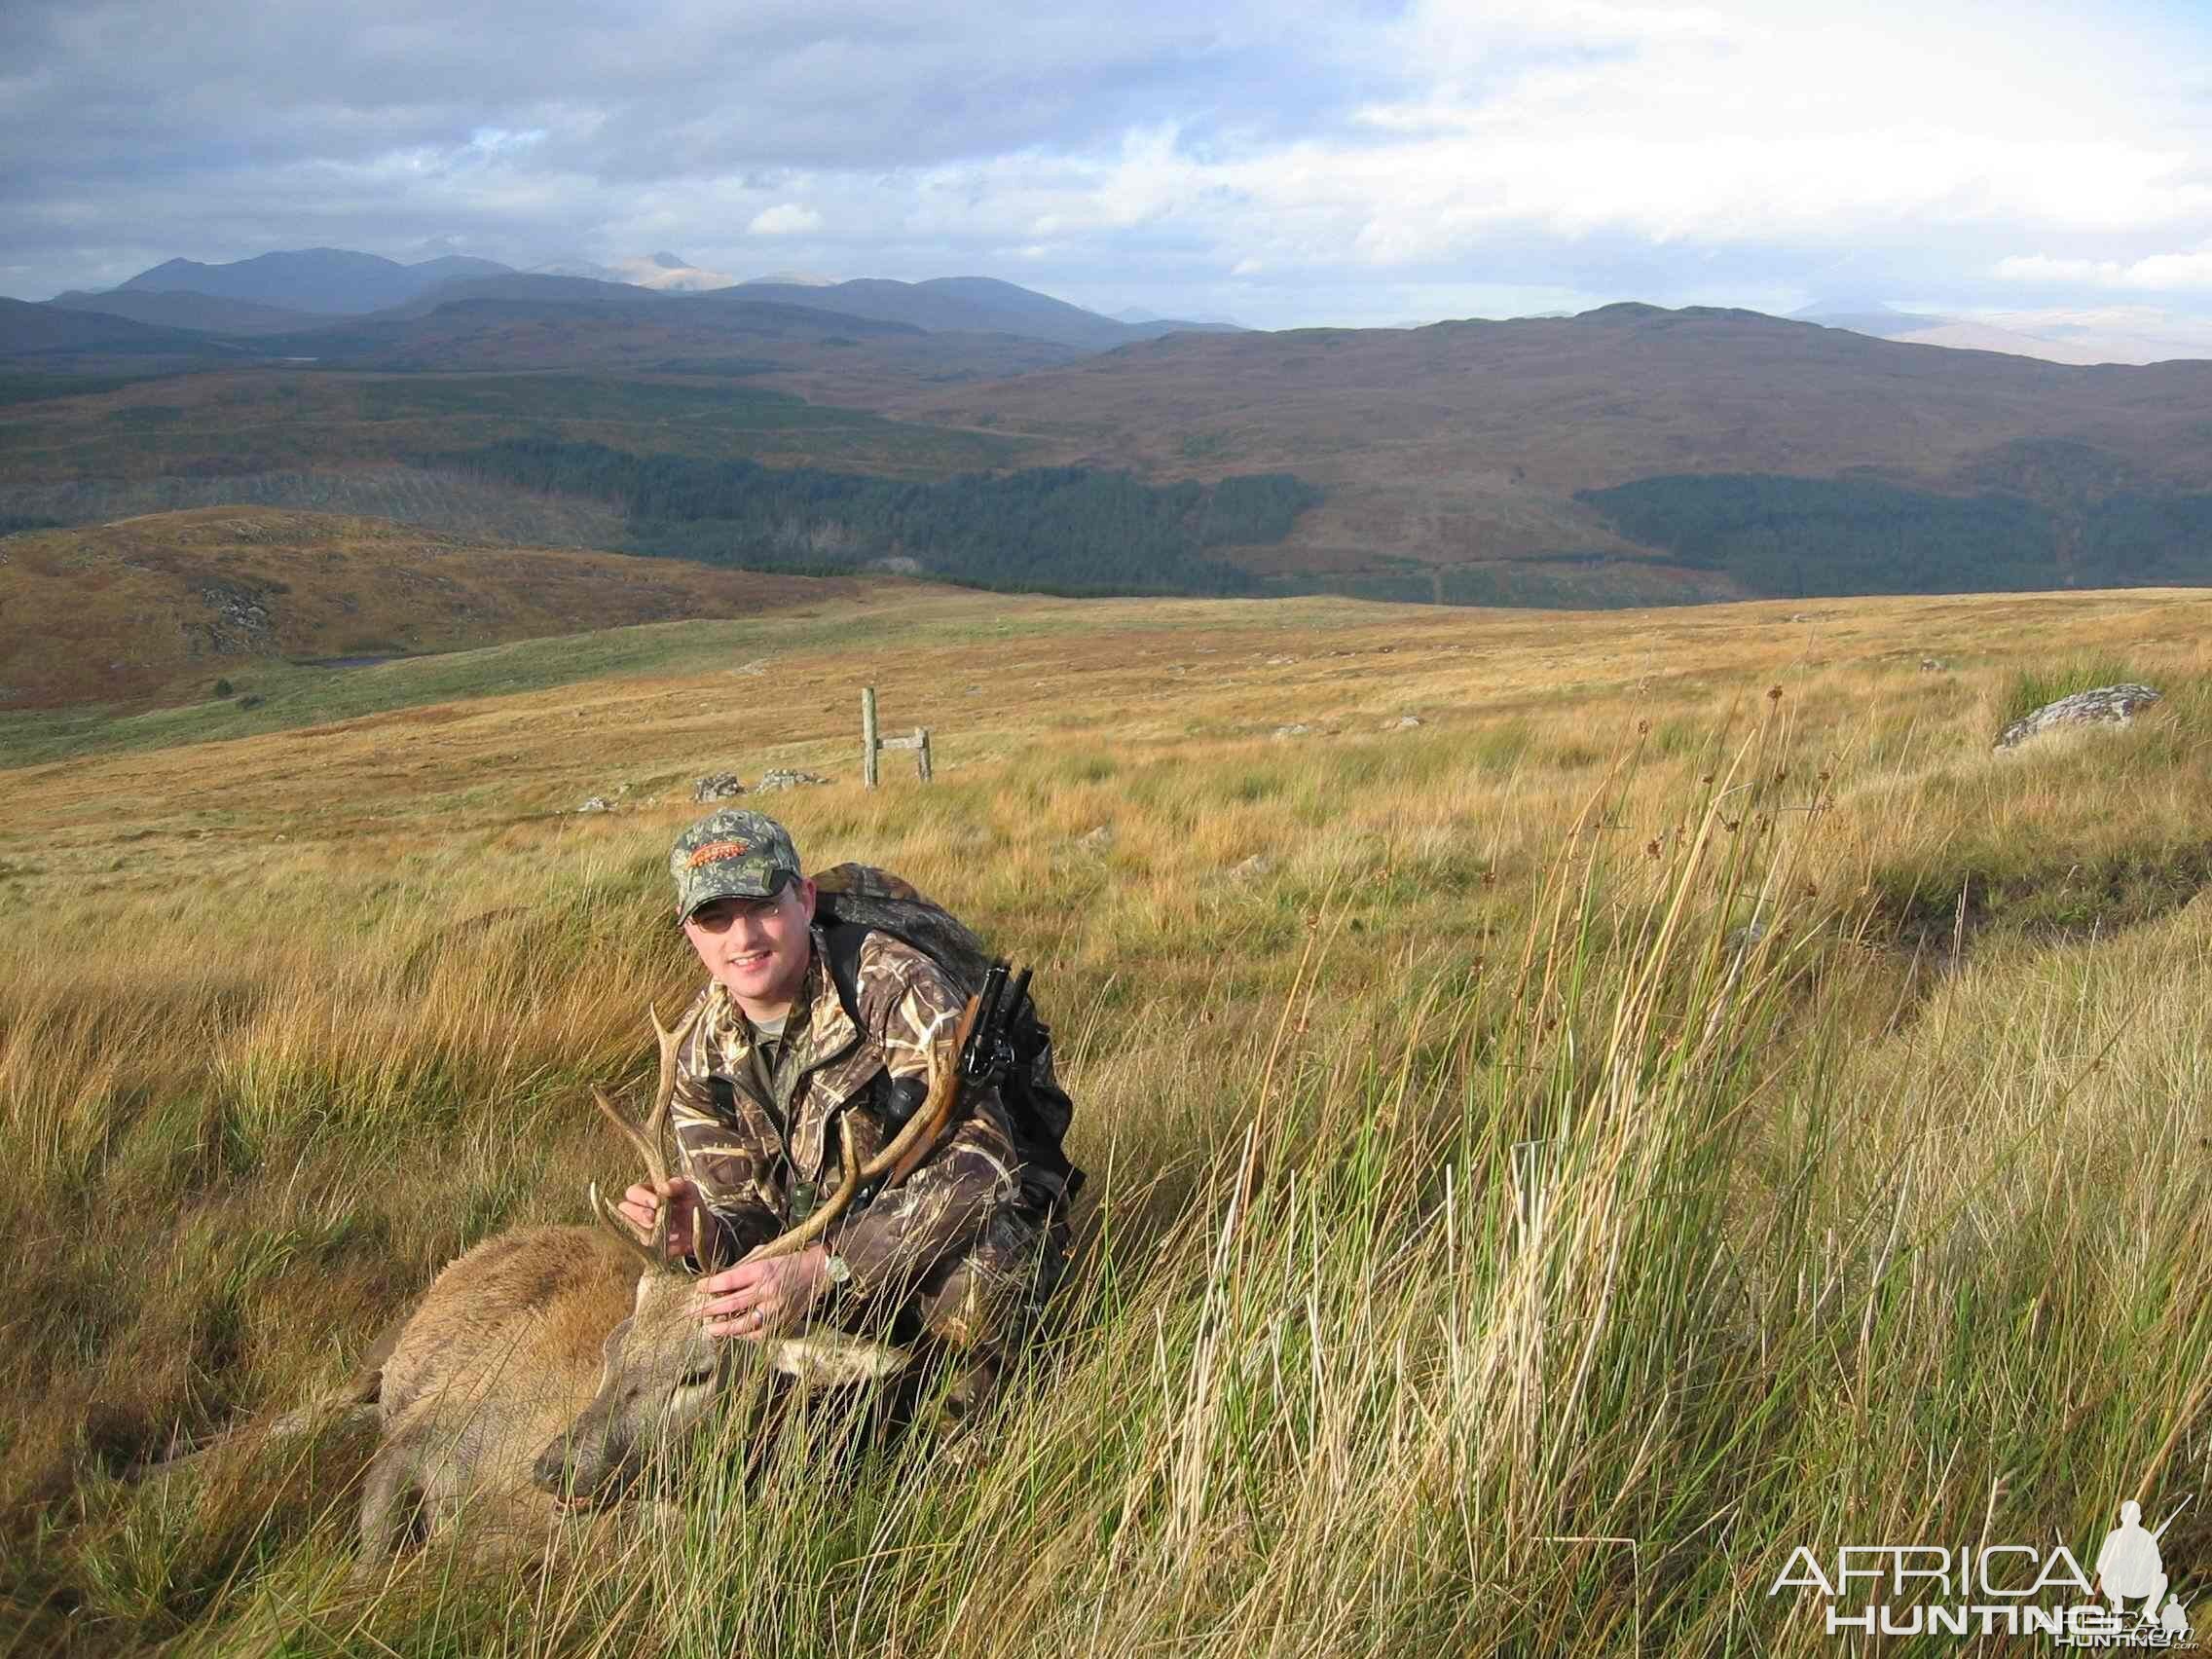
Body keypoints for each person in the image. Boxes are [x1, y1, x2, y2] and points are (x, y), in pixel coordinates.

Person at [616, 807, 1074, 1433]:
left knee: (977, 1289)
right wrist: (701, 1229)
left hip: (954, 1223)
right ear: (689, 930)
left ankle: (981, 1439)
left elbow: (982, 1167)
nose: (742, 938)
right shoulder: (698, 1047)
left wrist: (830, 1266)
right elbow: (744, 1215)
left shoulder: (895, 985)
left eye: (763, 907)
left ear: (804, 900)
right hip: (811, 1254)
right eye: (715, 918)